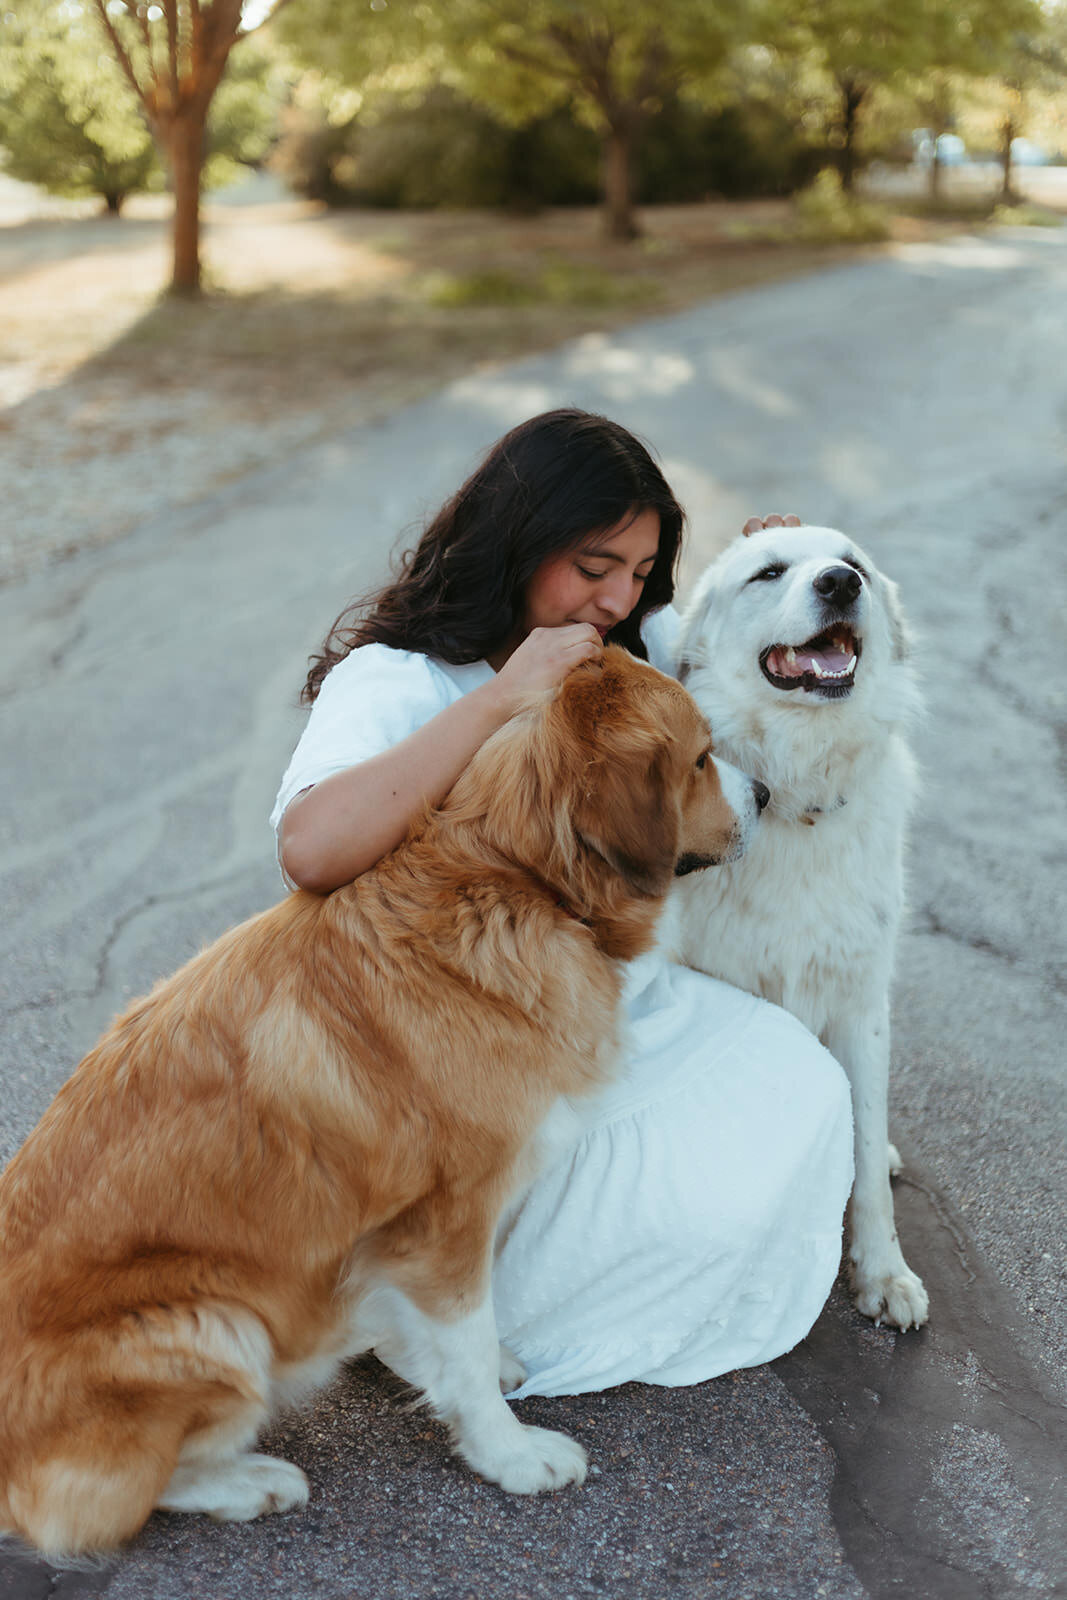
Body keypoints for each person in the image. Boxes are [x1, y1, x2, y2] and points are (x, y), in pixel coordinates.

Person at [271, 409, 853, 1399]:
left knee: (800, 1088)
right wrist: (503, 696)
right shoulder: (399, 675)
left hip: (606, 999)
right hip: (462, 1049)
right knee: (691, 1202)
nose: (618, 596)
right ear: (519, 535)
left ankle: (489, 1285)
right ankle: (428, 1294)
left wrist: (770, 571)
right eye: (595, 565)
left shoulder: (622, 635)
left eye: (638, 571)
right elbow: (311, 847)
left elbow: (719, 661)